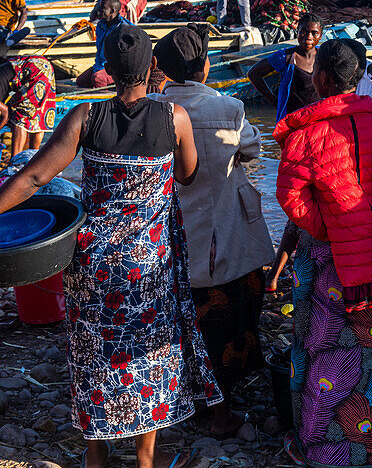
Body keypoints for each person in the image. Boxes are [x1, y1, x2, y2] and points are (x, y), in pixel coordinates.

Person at [0, 25, 219, 468]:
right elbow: (187, 175)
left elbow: (32, 178)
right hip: (147, 260)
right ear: (153, 67)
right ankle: (147, 456)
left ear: (104, 68)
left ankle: (95, 453)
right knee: (150, 349)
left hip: (94, 259)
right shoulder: (174, 117)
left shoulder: (83, 118)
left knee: (91, 347)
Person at [275, 39, 372, 467]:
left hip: (327, 261)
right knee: (371, 357)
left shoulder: (304, 136)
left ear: (321, 78)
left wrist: (331, 230)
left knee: (319, 351)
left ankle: (318, 449)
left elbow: (291, 199)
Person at [150, 25, 272, 438]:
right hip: (223, 234)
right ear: (204, 66)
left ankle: (180, 395)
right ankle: (222, 400)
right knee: (226, 315)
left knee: (182, 315)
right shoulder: (229, 108)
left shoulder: (154, 108)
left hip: (172, 235)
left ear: (162, 69)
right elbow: (252, 148)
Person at [0, 55, 57, 157]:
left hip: (32, 68)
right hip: (40, 65)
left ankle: (15, 162)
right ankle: (31, 160)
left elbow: (6, 114)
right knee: (38, 113)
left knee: (21, 115)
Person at [248, 13, 324, 121]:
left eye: (314, 33)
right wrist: (275, 101)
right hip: (292, 121)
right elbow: (253, 74)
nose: (308, 37)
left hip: (318, 119)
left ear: (320, 36)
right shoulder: (286, 57)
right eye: (304, 32)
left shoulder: (324, 56)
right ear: (297, 31)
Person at [76, 0, 133, 88]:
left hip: (118, 68)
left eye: (102, 8)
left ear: (112, 11)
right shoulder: (100, 25)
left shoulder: (125, 29)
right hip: (100, 65)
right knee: (80, 81)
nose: (98, 10)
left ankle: (108, 99)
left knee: (97, 78)